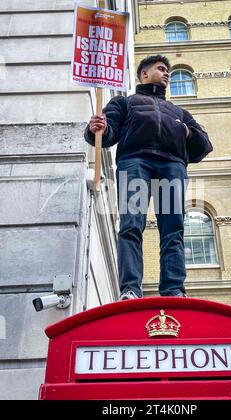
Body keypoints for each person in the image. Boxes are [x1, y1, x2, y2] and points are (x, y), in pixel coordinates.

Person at [84, 55, 213, 300]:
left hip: (172, 167)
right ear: (144, 74)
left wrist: (187, 131)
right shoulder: (124, 103)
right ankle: (130, 289)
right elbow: (106, 134)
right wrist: (96, 129)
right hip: (135, 163)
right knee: (131, 225)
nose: (167, 74)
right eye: (161, 69)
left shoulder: (179, 112)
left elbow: (204, 147)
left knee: (172, 228)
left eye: (169, 72)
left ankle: (173, 290)